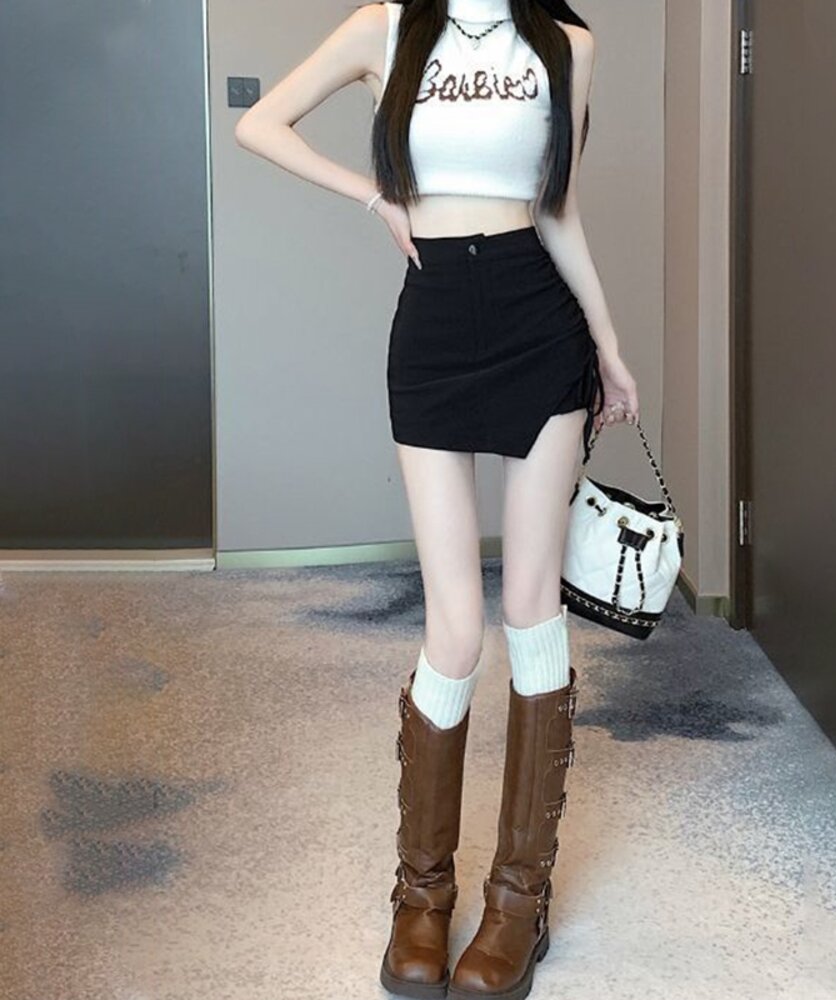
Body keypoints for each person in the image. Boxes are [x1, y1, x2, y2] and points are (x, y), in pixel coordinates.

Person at [235, 0, 639, 996]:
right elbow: (260, 123)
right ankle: (421, 896)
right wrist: (375, 196)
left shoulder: (567, 46)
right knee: (453, 628)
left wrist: (607, 343)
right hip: (433, 327)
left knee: (529, 608)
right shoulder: (386, 28)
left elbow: (559, 210)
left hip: (538, 319)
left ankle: (518, 902)